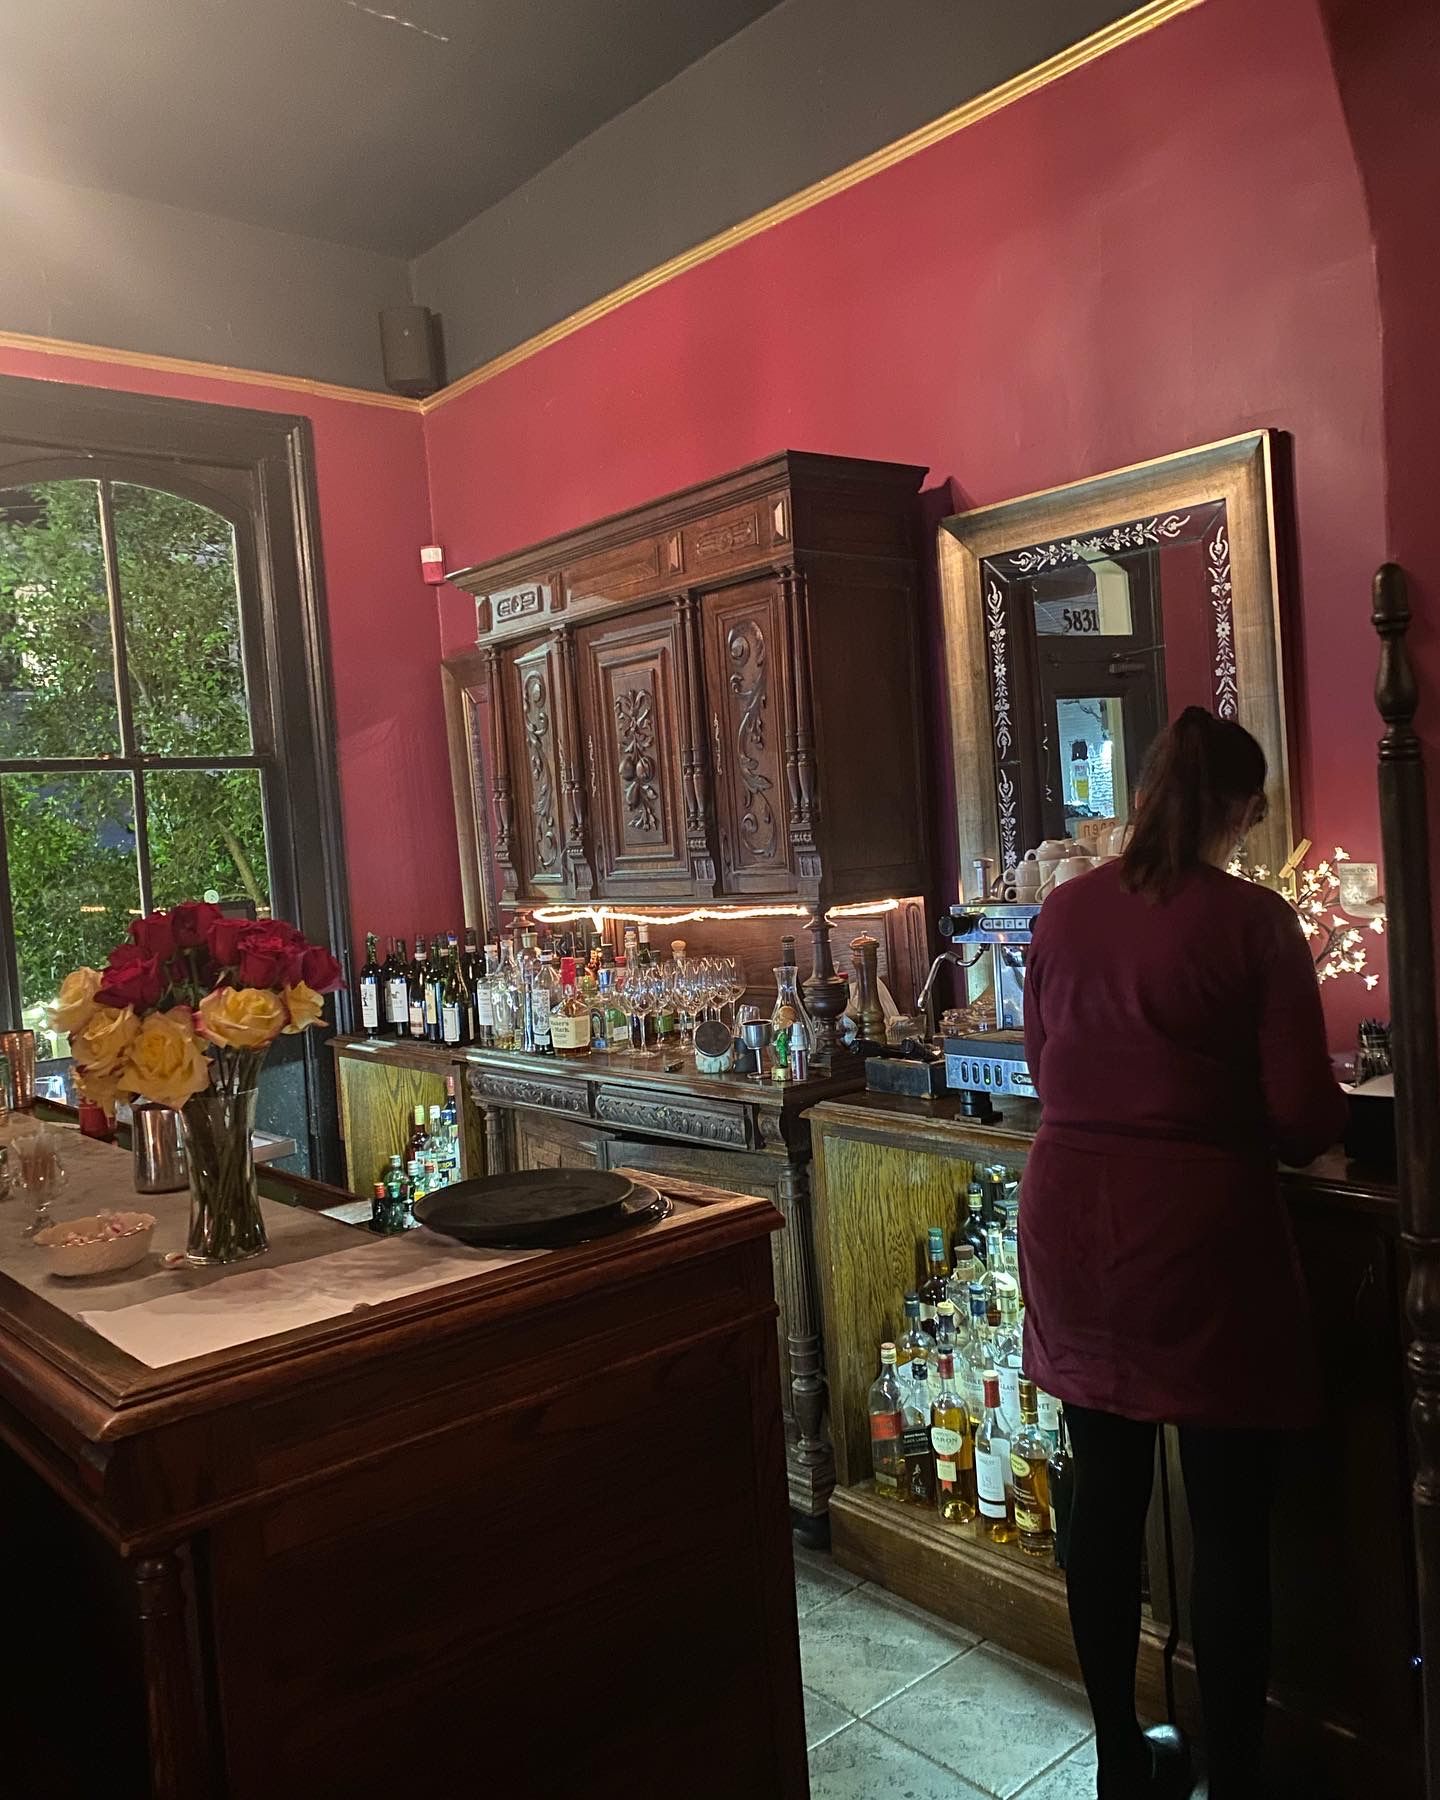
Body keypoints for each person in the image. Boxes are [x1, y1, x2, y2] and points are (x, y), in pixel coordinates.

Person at [1019, 707, 1347, 1800]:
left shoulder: (1064, 910)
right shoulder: (1253, 921)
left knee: (1105, 1498)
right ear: (1237, 809)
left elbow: (1047, 1068)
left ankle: (1120, 1758)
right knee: (1230, 1521)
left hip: (1073, 1224)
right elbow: (1302, 1116)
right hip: (1197, 1238)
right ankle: (1235, 1776)